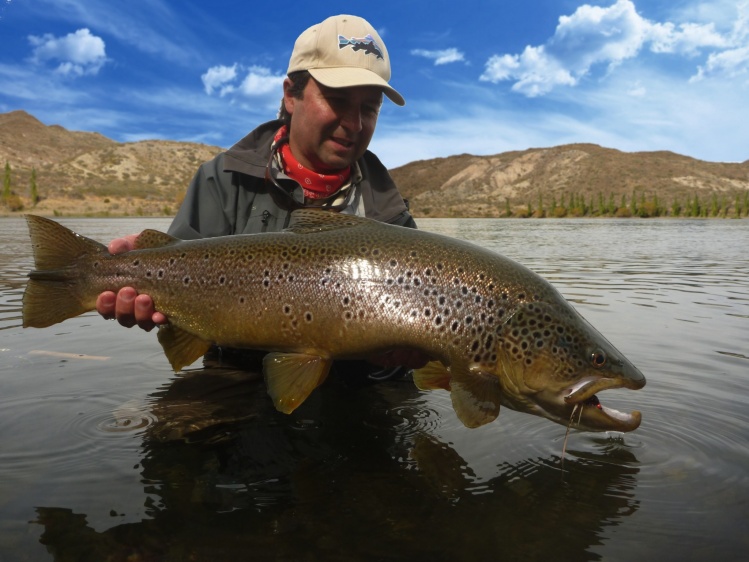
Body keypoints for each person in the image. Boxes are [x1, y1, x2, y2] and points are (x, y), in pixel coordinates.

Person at [96, 14, 426, 375]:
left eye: (369, 108)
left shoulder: (390, 212)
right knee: (177, 431)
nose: (354, 123)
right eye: (337, 100)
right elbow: (173, 272)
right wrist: (136, 273)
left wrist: (401, 358)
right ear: (290, 95)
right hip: (236, 374)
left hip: (359, 384)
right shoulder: (222, 180)